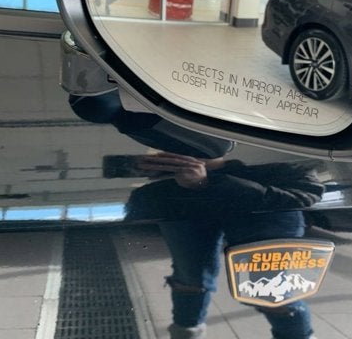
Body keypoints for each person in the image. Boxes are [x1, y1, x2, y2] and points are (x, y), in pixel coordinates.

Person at [69, 92, 324, 339]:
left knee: (271, 289)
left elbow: (307, 192)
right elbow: (136, 216)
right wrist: (152, 177)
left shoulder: (274, 145)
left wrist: (210, 180)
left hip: (262, 213)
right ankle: (186, 332)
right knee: (190, 277)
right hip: (187, 206)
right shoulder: (165, 171)